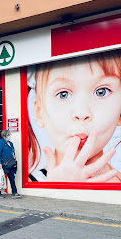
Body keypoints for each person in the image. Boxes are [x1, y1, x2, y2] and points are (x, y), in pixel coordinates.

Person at [30, 51, 121, 182]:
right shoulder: (31, 184)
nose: (82, 113)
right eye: (63, 94)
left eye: (101, 92)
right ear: (39, 112)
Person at [0, 129, 21, 198]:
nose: (10, 136)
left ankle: (14, 192)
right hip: (3, 164)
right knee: (0, 178)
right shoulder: (0, 143)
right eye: (8, 135)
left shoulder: (10, 143)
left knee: (12, 178)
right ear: (5, 136)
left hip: (10, 164)